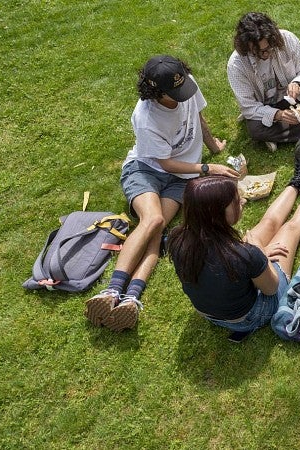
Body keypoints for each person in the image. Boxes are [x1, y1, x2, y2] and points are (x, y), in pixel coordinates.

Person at [84, 55, 239, 332]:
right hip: (146, 171)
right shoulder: (145, 117)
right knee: (153, 221)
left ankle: (131, 298)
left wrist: (213, 144)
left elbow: (198, 115)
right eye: (174, 93)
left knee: (158, 231)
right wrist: (206, 167)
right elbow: (165, 163)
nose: (183, 95)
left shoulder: (185, 85)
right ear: (156, 91)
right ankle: (111, 291)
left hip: (181, 178)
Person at [168, 140, 300, 339]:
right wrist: (261, 253)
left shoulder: (177, 238)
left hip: (213, 313)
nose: (243, 201)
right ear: (217, 214)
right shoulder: (243, 253)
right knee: (290, 230)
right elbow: (270, 289)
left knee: (269, 223)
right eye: (237, 201)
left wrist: (253, 252)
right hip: (251, 314)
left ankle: (297, 181)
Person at [227, 12, 300, 152]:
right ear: (247, 47)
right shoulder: (236, 65)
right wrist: (279, 115)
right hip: (265, 107)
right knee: (256, 131)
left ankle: (280, 135)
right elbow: (248, 107)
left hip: (294, 100)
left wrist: (298, 83)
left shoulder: (287, 39)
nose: (265, 55)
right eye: (258, 52)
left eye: (268, 49)